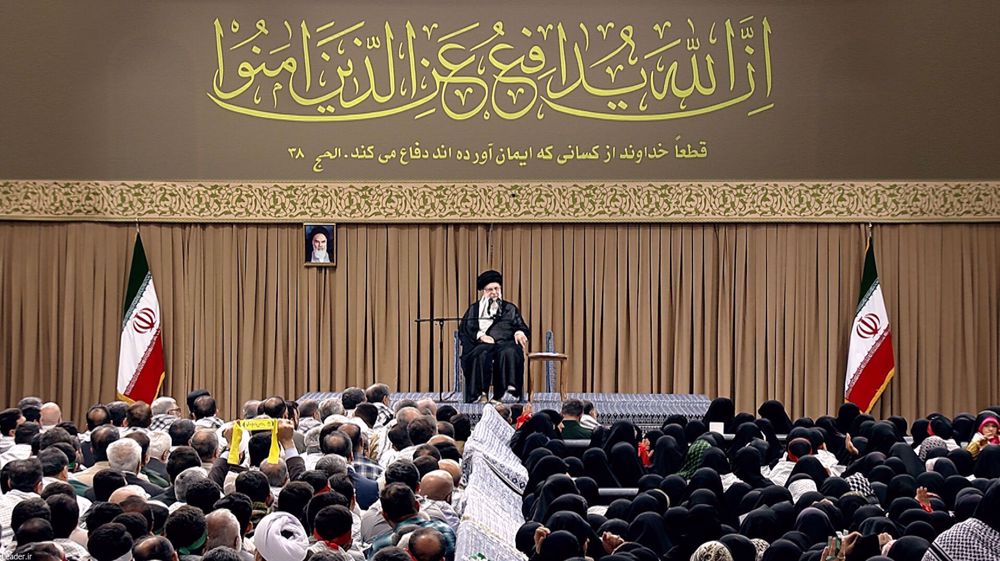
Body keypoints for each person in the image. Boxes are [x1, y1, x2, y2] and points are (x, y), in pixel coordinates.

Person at [458, 270, 530, 403]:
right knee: (482, 353)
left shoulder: (510, 308)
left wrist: (519, 332)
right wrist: (480, 336)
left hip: (505, 344)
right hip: (481, 345)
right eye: (490, 289)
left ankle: (502, 394)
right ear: (483, 291)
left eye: (496, 288)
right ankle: (481, 394)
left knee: (510, 351)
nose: (494, 292)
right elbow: (465, 329)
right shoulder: (474, 309)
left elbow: (521, 326)